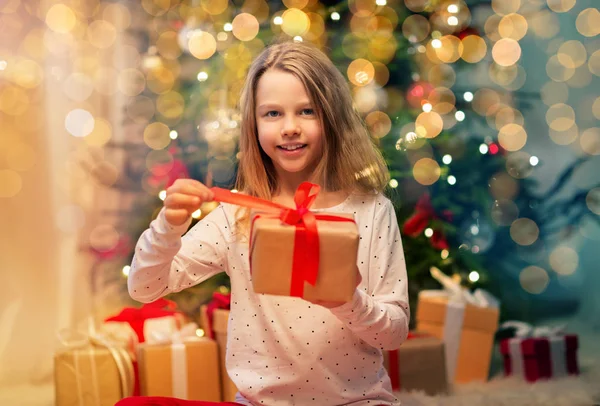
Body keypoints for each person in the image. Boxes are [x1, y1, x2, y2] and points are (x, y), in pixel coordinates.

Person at [119, 41, 409, 406]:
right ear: (253, 124)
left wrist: (347, 300)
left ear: (333, 118)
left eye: (307, 111)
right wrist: (168, 226)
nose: (289, 128)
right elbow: (144, 288)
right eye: (272, 114)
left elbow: (395, 334)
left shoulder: (372, 211)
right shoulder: (236, 214)